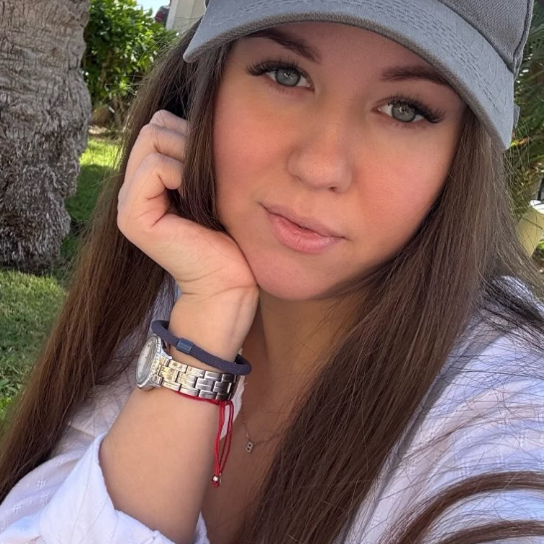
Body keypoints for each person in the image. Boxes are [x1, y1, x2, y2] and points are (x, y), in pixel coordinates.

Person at [0, 0, 543, 543]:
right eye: (286, 75)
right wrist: (204, 325)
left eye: (405, 109)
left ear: (461, 152)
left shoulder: (505, 409)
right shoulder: (162, 298)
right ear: (203, 89)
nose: (320, 166)